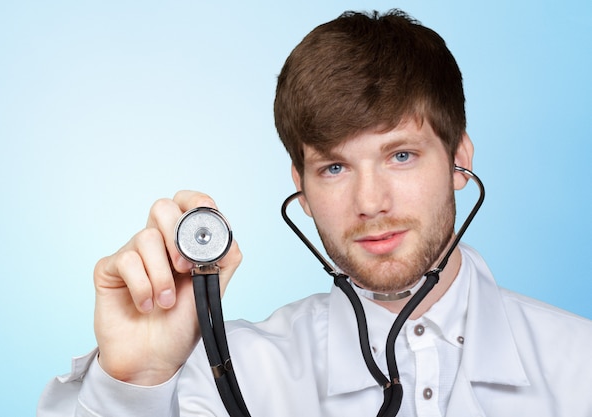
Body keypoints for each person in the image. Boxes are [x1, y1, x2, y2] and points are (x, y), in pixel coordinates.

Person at [37, 9, 592, 417]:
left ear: (458, 161)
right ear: (299, 189)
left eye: (401, 155)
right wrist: (134, 383)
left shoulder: (580, 367)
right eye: (333, 168)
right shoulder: (230, 377)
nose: (371, 203)